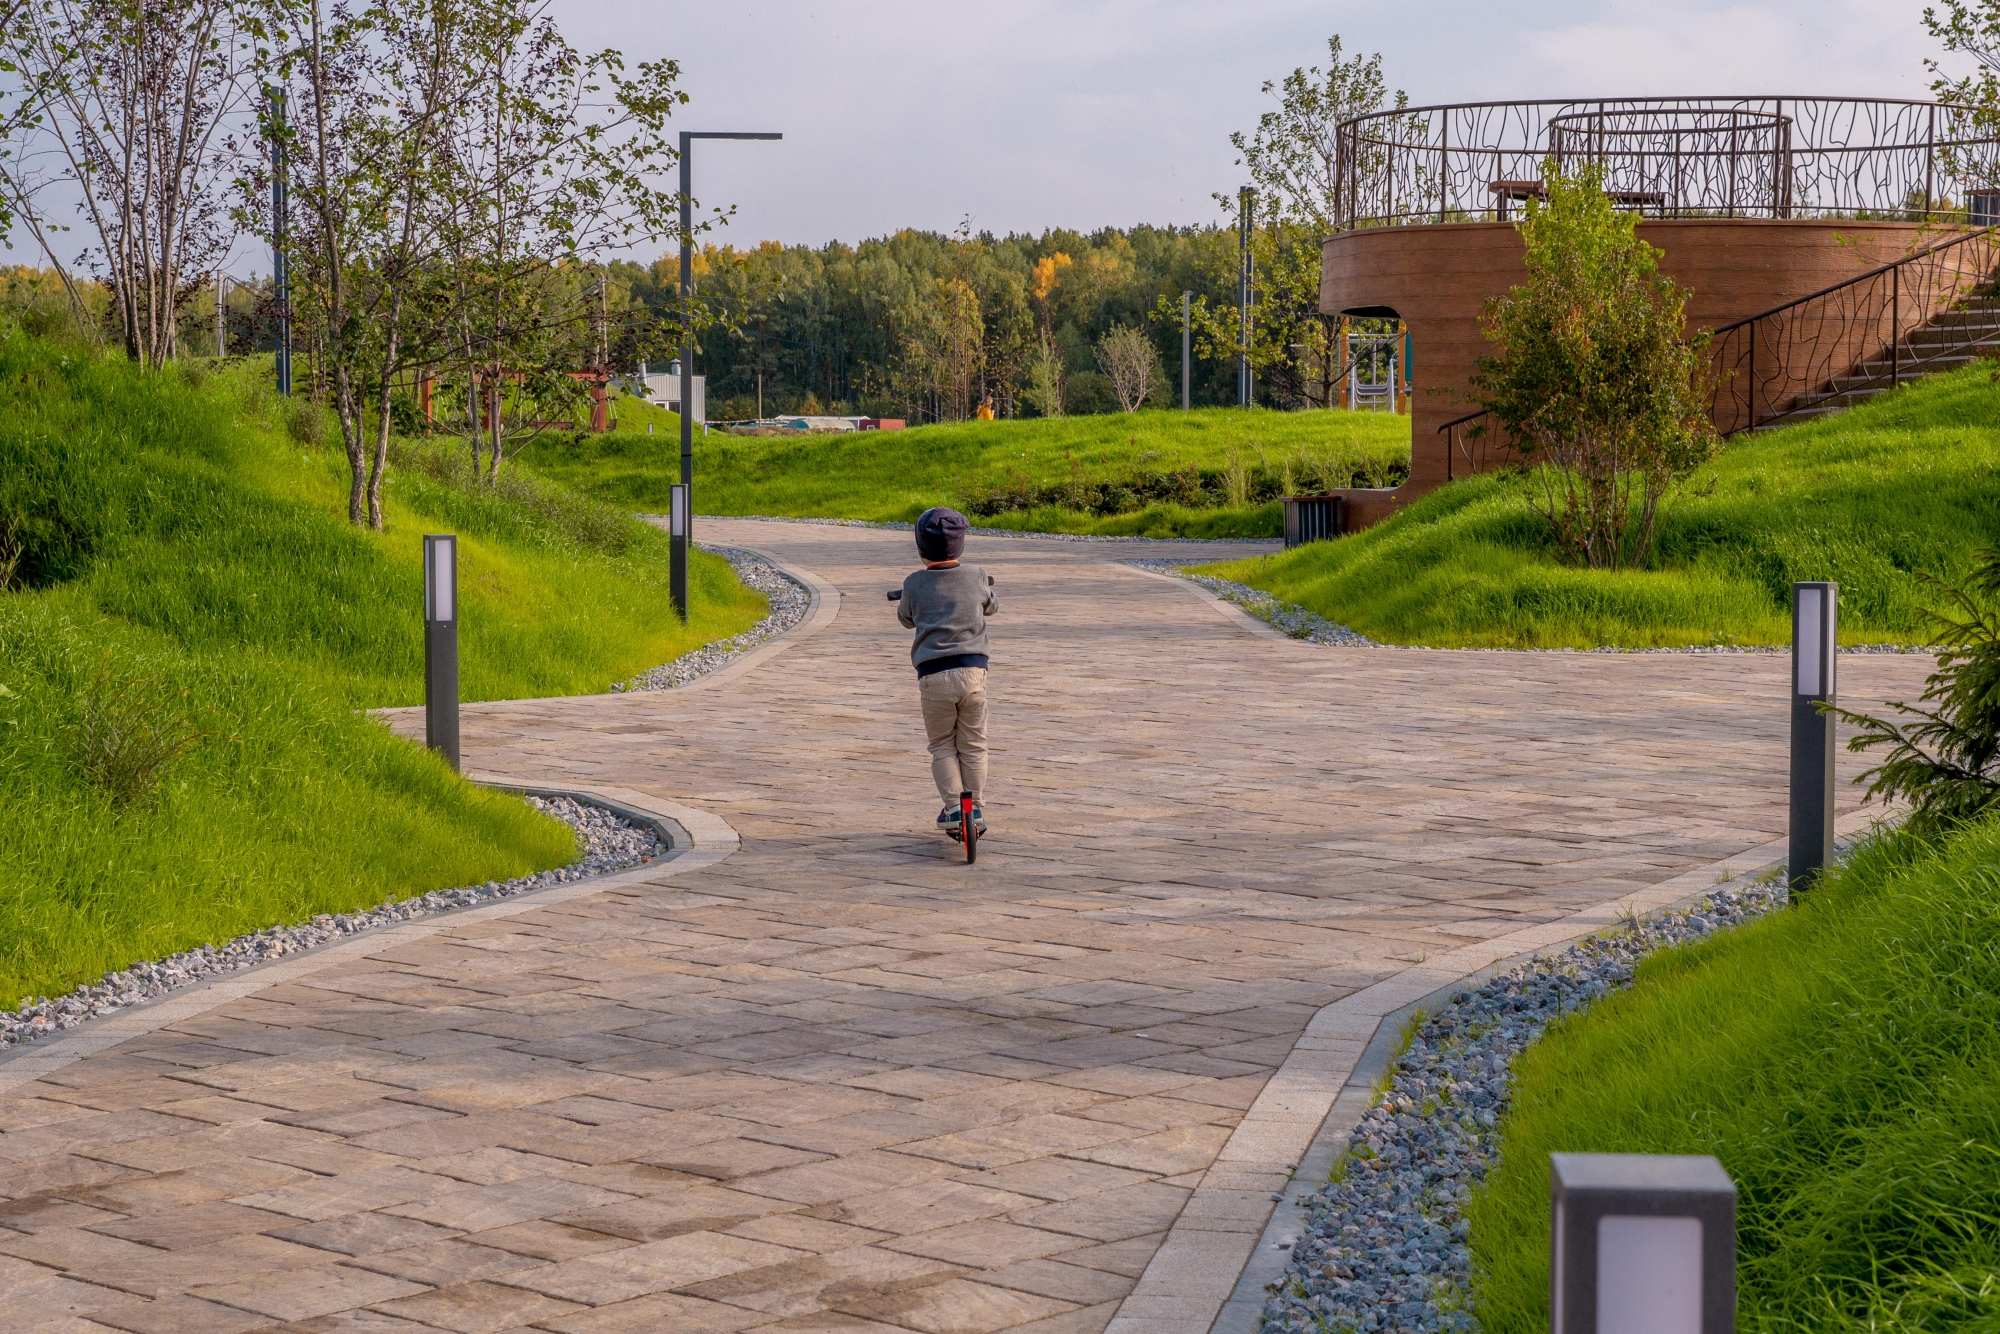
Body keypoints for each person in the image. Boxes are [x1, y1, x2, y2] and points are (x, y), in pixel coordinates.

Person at [897, 507, 998, 836]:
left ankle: (955, 807)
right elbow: (991, 606)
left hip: (934, 675)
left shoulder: (914, 583)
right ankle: (976, 807)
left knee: (942, 744)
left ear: (920, 547)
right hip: (972, 674)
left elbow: (906, 618)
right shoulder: (977, 575)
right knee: (974, 744)